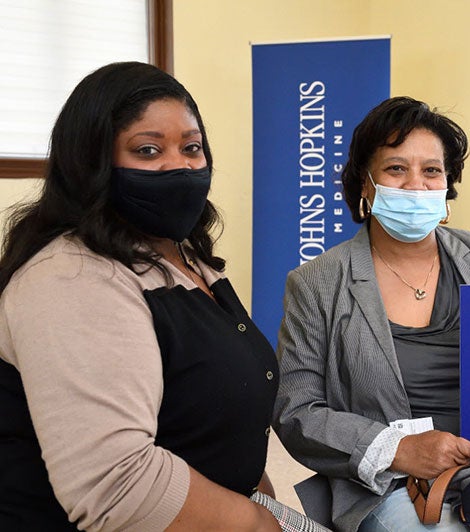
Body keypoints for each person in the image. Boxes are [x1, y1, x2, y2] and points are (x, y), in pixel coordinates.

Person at [0, 62, 283, 531]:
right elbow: (119, 486)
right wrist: (261, 523)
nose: (179, 166)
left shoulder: (186, 257)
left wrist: (267, 503)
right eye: (148, 150)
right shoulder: (69, 277)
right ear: (91, 162)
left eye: (192, 148)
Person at [273, 96, 470, 532]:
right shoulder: (316, 282)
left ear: (447, 183)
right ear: (365, 184)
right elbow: (297, 410)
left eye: (431, 171)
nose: (416, 186)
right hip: (392, 484)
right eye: (395, 169)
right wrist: (399, 449)